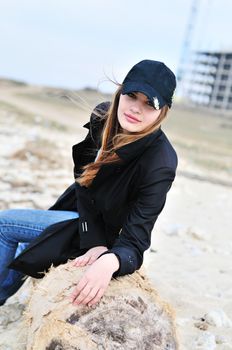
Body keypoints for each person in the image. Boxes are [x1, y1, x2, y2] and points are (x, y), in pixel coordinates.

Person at [0, 59, 178, 307]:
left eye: (150, 104)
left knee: (5, 225)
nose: (136, 108)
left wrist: (107, 258)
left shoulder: (160, 163)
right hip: (81, 212)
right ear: (120, 91)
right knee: (30, 243)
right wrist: (91, 237)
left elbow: (136, 241)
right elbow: (83, 180)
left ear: (163, 112)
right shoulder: (103, 116)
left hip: (107, 233)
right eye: (131, 96)